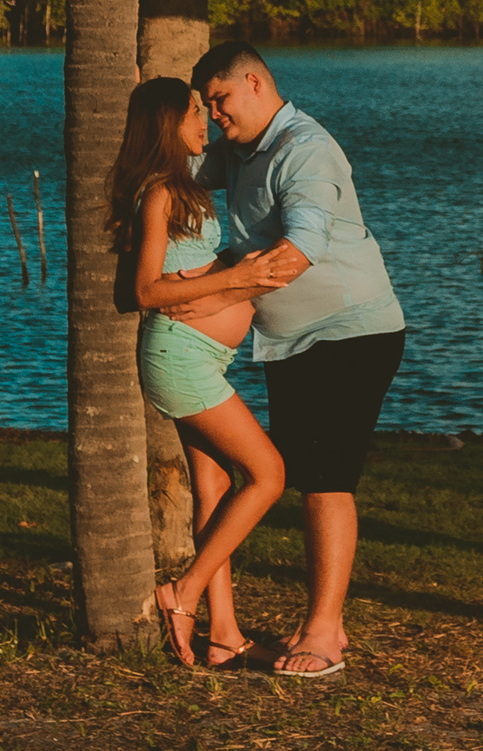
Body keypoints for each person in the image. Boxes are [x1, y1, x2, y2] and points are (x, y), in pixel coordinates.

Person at [164, 41, 405, 679]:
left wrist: (210, 290)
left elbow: (298, 250)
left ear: (253, 83)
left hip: (350, 333)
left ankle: (325, 632)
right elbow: (177, 168)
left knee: (326, 478)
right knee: (302, 474)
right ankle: (315, 621)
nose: (214, 115)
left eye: (220, 100)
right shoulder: (241, 151)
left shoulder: (305, 150)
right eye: (206, 106)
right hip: (290, 338)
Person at [105, 76, 288, 670]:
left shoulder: (186, 185)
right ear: (167, 126)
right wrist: (236, 281)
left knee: (212, 491)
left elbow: (185, 269)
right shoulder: (160, 193)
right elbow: (143, 289)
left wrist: (223, 269)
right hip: (179, 357)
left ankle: (224, 636)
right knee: (268, 475)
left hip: (201, 355)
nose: (204, 120)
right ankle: (182, 595)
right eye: (192, 113)